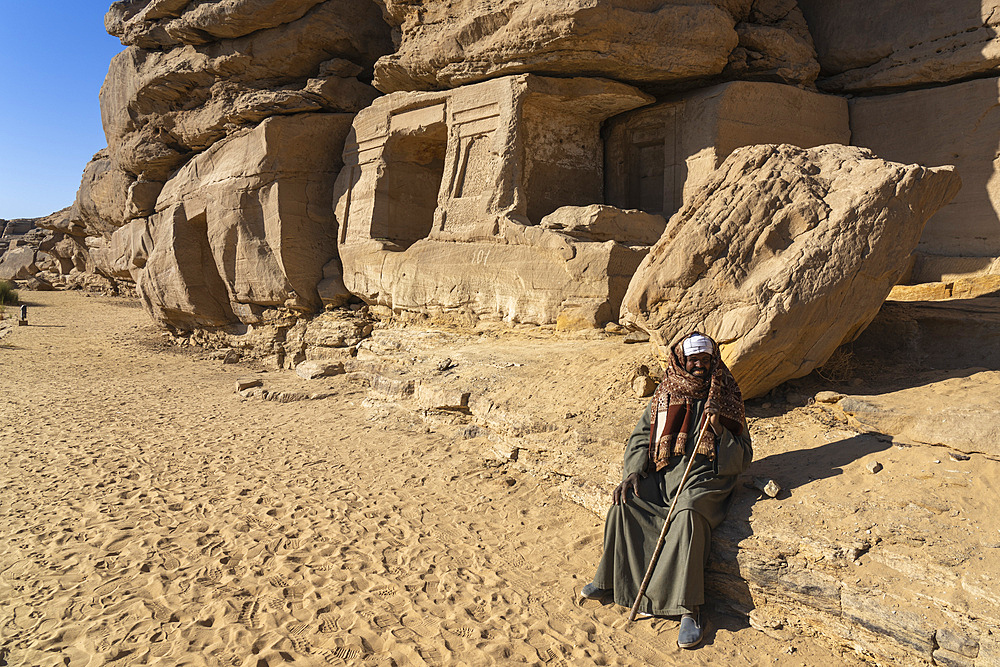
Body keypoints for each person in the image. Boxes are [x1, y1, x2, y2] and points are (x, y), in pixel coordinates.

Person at [580, 332, 752, 649]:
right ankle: (609, 580)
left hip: (705, 476)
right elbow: (641, 437)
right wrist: (632, 472)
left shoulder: (725, 394)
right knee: (625, 502)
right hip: (664, 472)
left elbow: (743, 454)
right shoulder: (666, 391)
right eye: (693, 359)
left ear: (713, 361)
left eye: (705, 359)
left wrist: (718, 430)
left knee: (687, 516)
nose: (699, 365)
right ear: (681, 361)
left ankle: (689, 609)